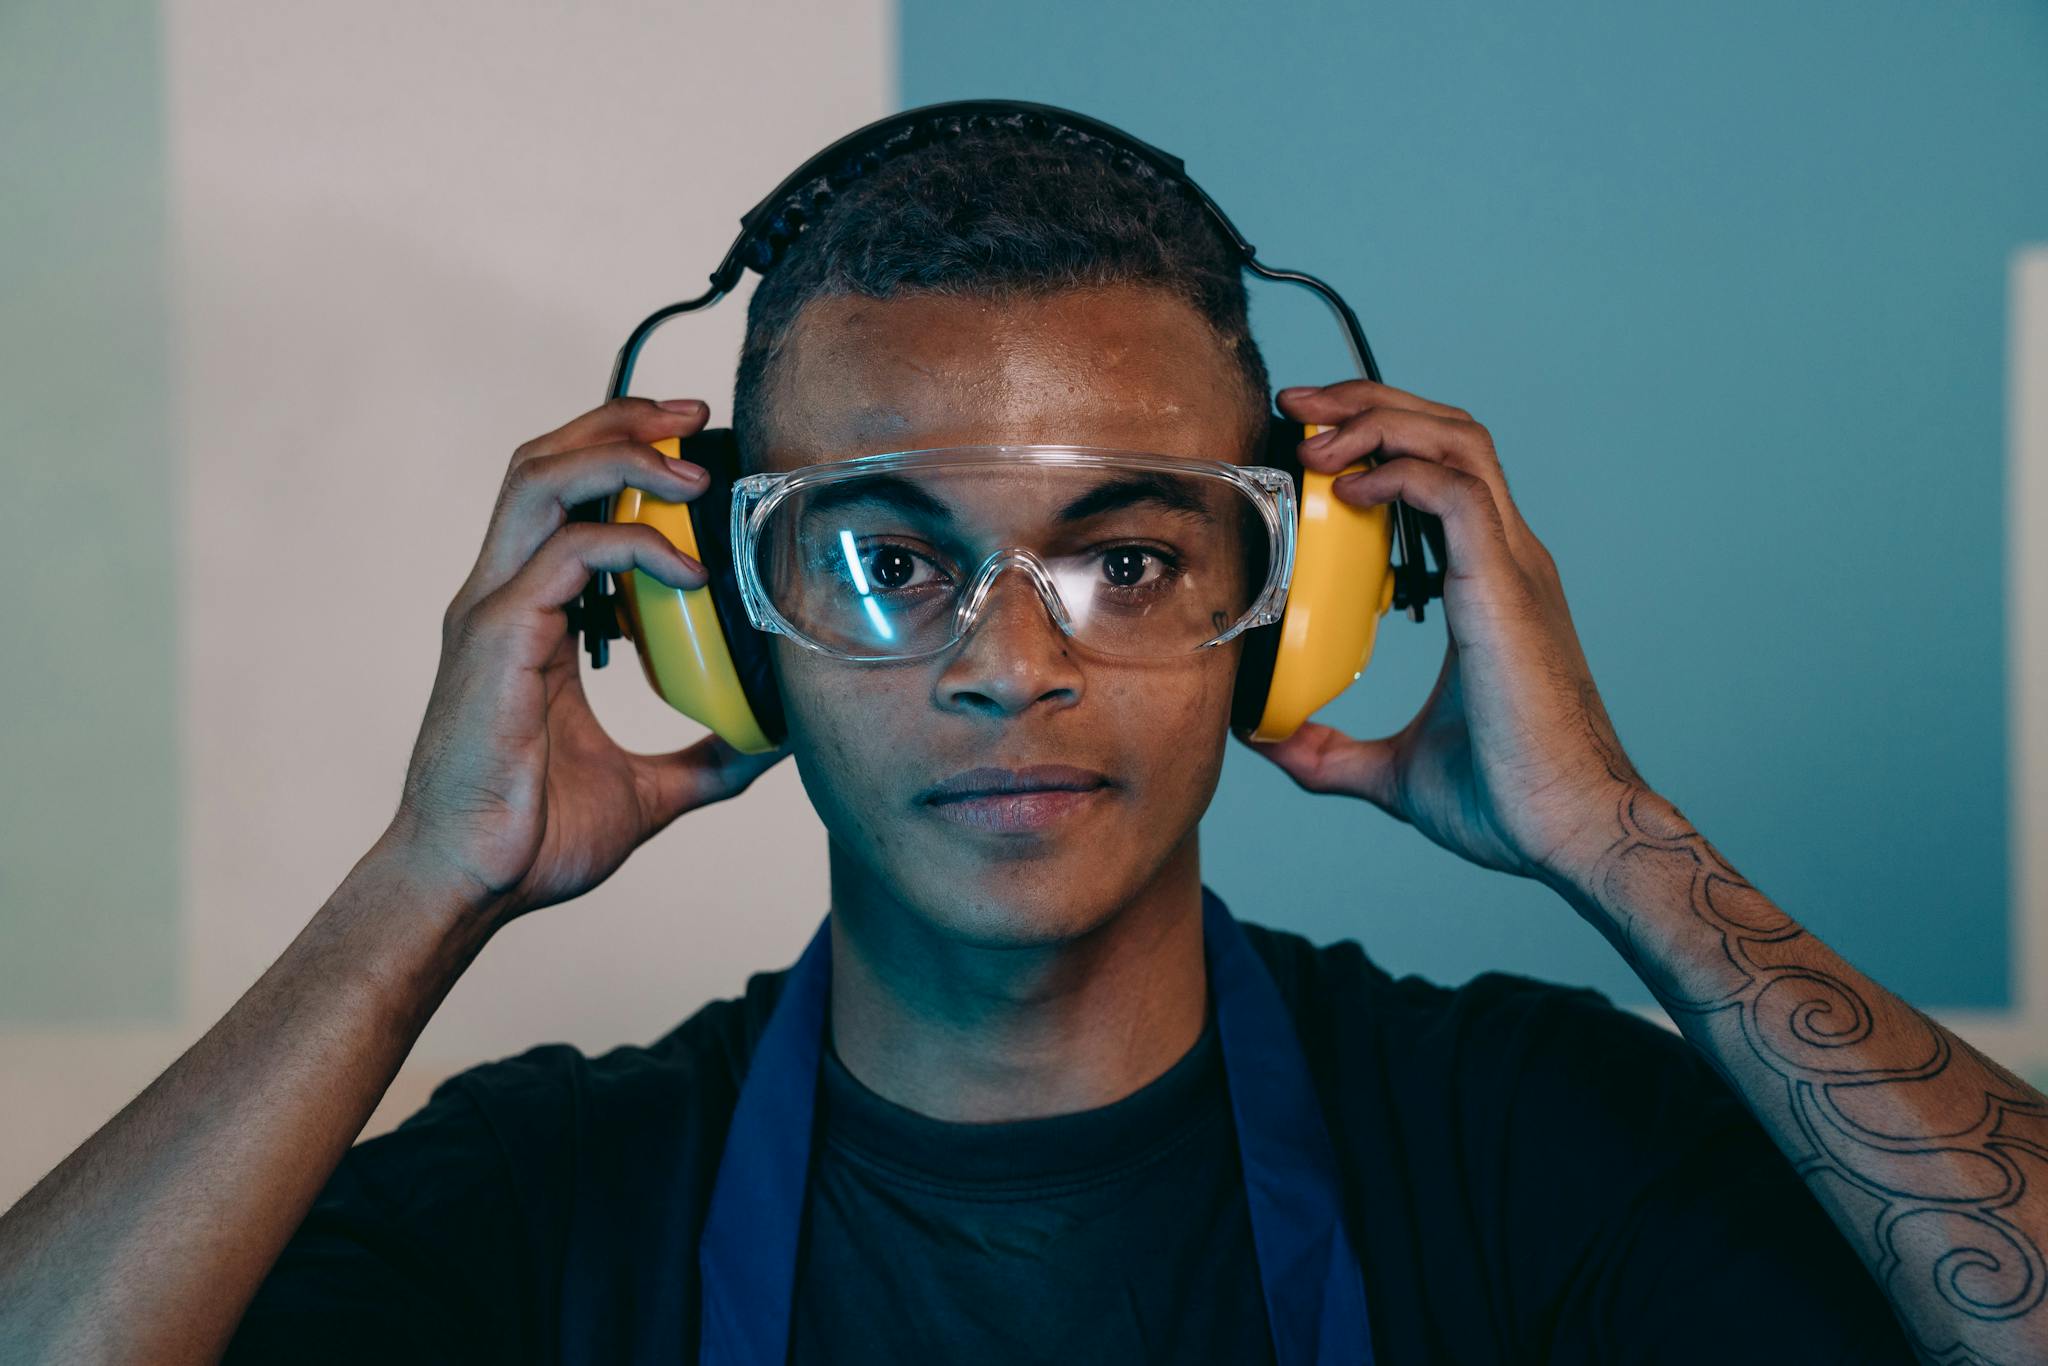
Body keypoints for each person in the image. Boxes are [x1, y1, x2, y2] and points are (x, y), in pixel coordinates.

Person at [0, 118, 2035, 1366]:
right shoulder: (544, 1202)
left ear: (1303, 602)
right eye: (885, 557)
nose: (1007, 663)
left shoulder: (1518, 1145)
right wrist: (413, 894)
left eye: (1131, 557)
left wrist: (1606, 832)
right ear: (716, 622)